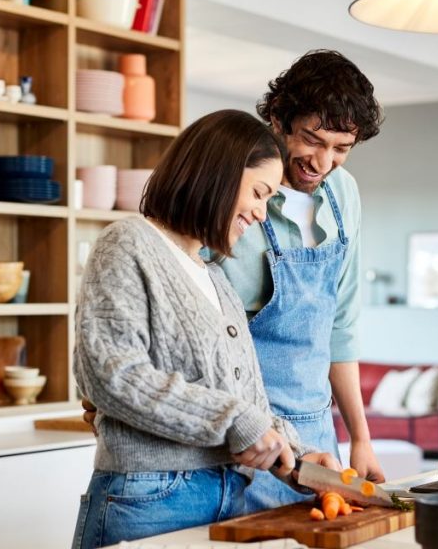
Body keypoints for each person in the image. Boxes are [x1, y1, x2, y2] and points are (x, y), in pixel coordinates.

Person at [71, 109, 339, 549]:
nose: (259, 213)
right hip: (150, 497)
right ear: (218, 173)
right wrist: (237, 421)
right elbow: (110, 375)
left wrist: (301, 456)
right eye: (258, 193)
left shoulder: (215, 278)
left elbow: (244, 401)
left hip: (229, 493)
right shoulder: (128, 244)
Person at [227, 50, 386, 512]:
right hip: (246, 439)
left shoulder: (345, 192)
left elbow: (341, 324)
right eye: (312, 140)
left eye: (341, 148)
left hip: (317, 439)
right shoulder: (236, 190)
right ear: (277, 119)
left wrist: (360, 437)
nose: (323, 162)